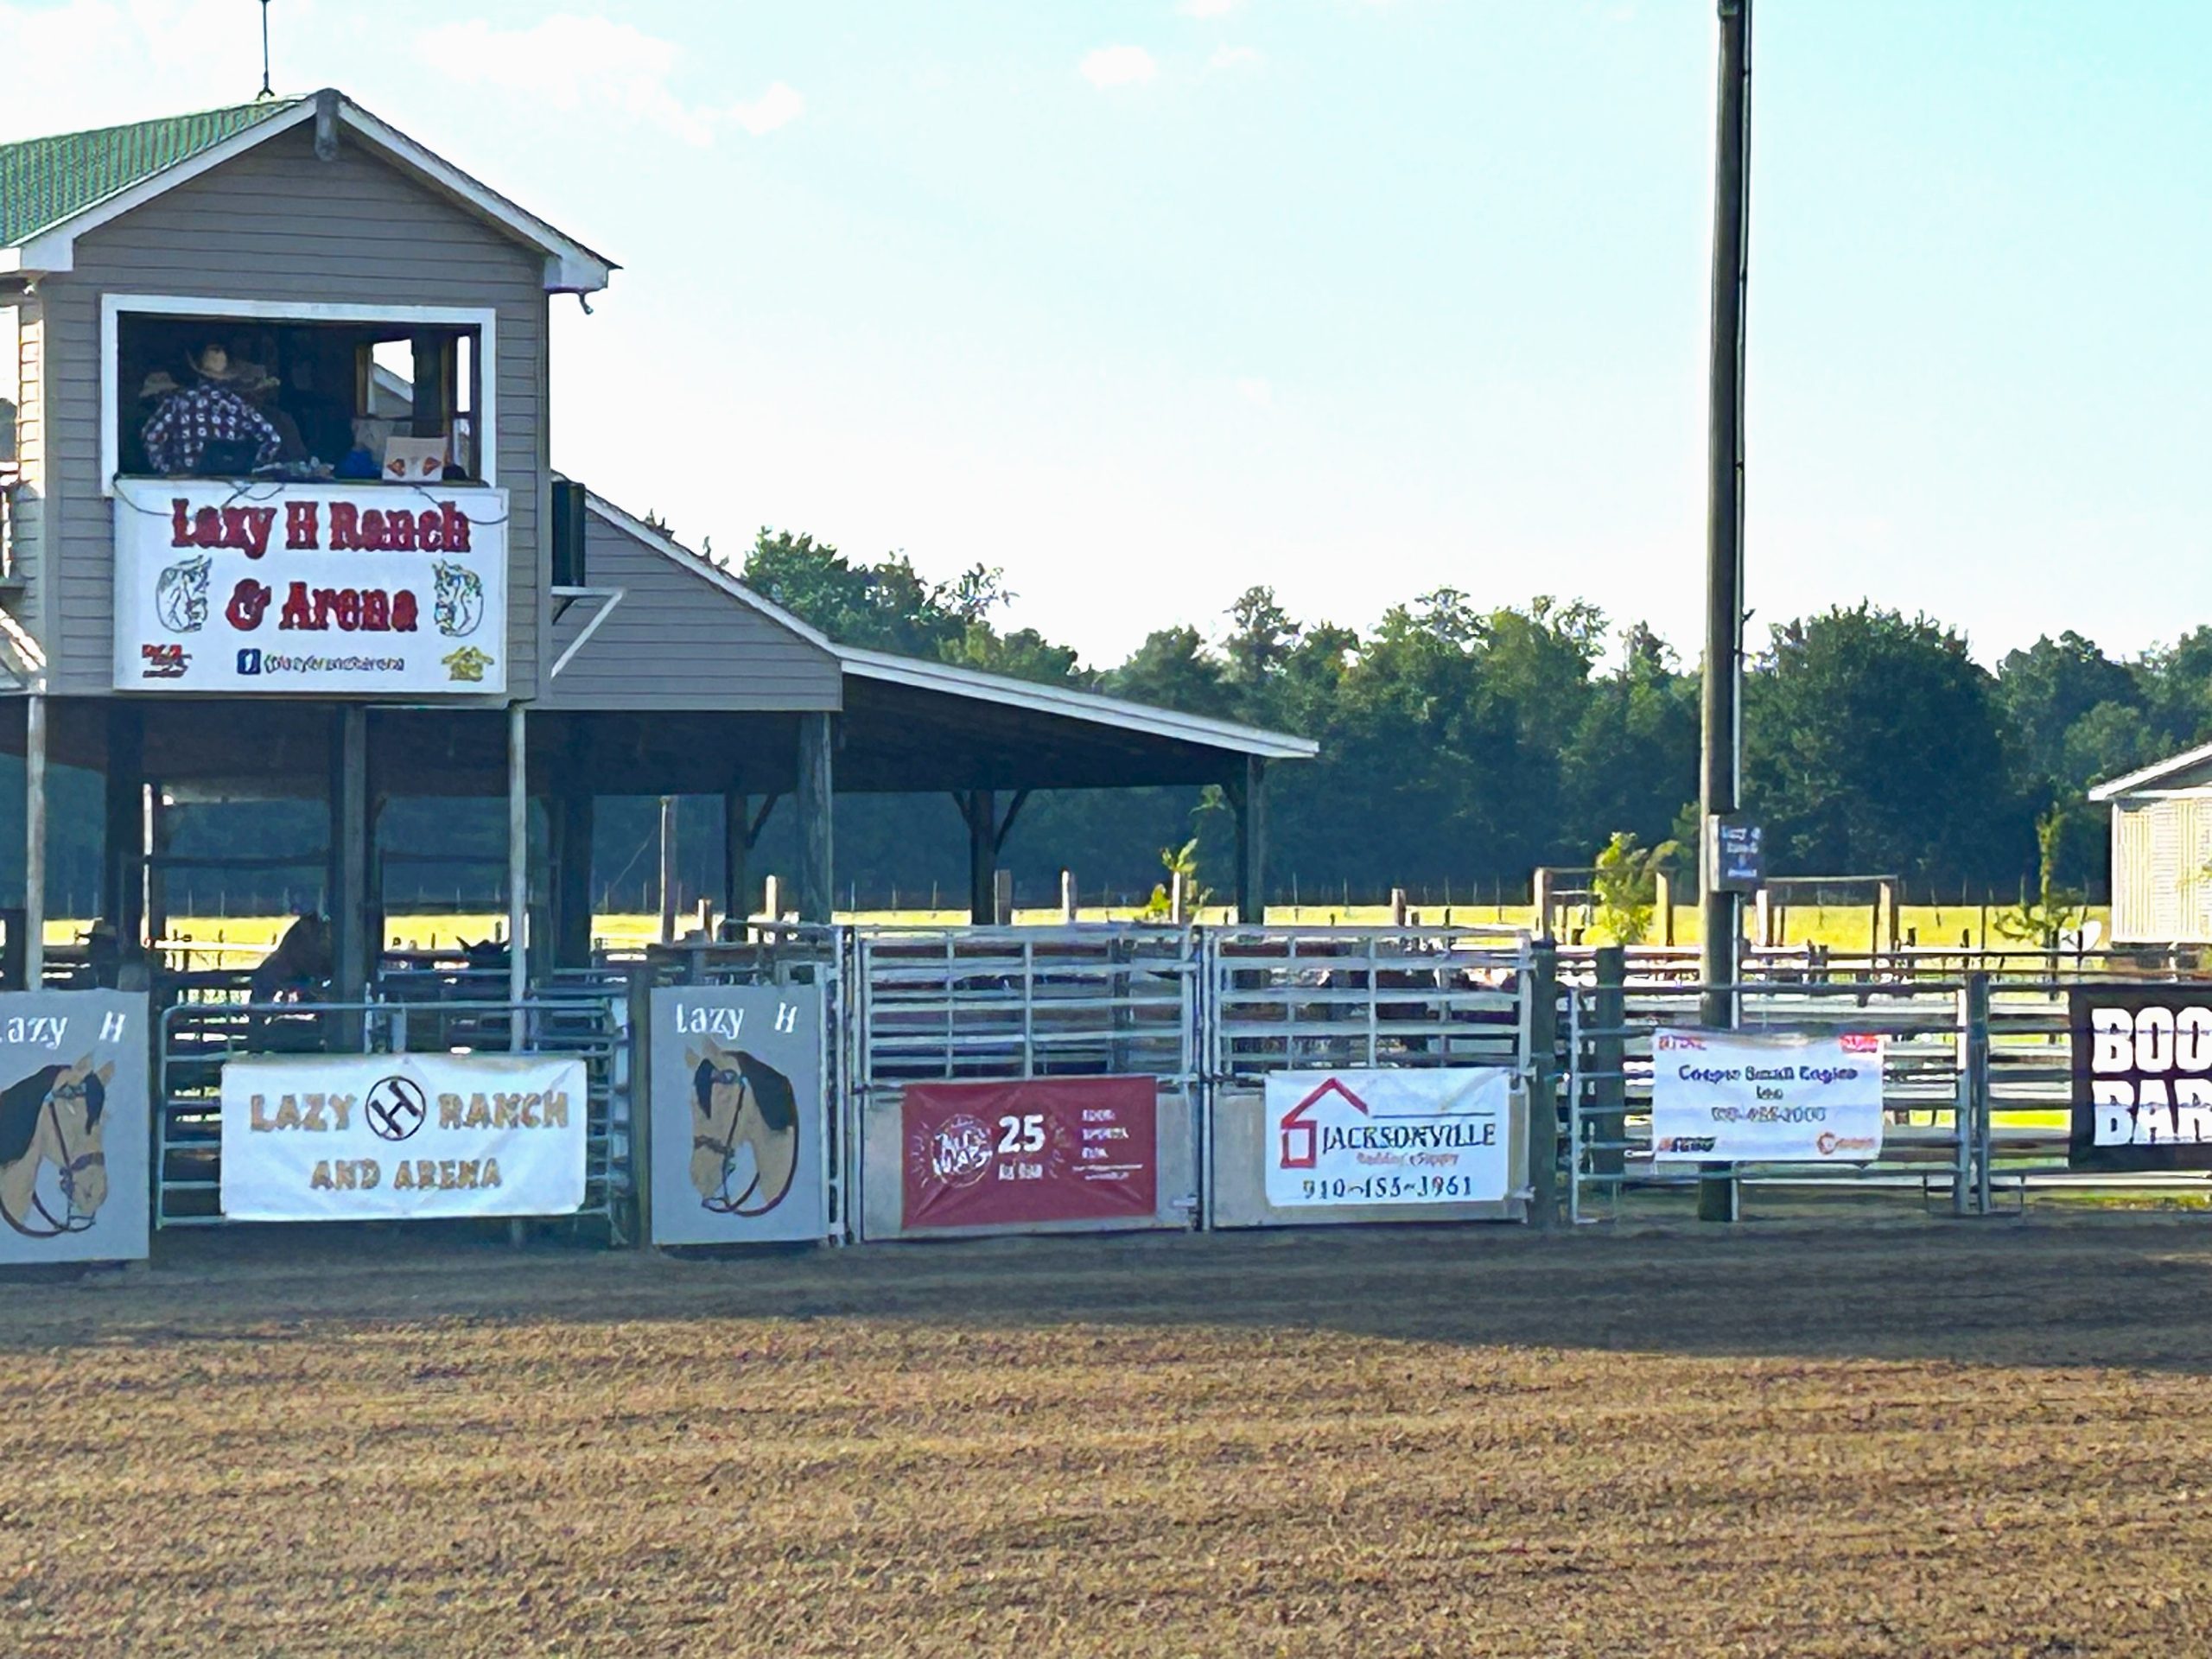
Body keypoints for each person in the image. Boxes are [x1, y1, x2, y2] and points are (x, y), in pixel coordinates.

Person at [140, 343, 282, 475]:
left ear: (198, 372)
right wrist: (249, 468)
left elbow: (151, 436)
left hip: (185, 485)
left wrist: (167, 470)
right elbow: (272, 439)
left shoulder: (177, 402)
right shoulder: (236, 405)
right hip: (229, 485)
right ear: (226, 376)